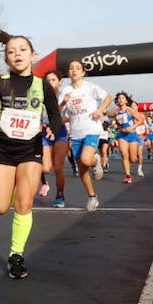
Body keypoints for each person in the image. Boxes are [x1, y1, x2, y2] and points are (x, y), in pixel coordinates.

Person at [0, 30, 63, 280]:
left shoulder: (42, 85)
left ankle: (16, 255)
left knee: (24, 203)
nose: (16, 54)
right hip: (5, 152)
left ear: (33, 55)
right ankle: (17, 188)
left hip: (31, 151)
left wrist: (57, 132)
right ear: (7, 59)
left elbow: (54, 114)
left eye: (22, 50)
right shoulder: (0, 83)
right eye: (11, 52)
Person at [58, 60, 112, 212]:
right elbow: (57, 110)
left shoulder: (90, 87)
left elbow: (109, 97)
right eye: (71, 68)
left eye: (77, 68)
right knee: (82, 169)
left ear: (83, 72)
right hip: (75, 133)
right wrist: (63, 102)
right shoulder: (66, 90)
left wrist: (100, 110)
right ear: (68, 73)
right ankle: (92, 197)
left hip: (92, 129)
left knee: (86, 159)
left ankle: (96, 162)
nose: (74, 70)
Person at [38, 69, 69, 207]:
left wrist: (67, 118)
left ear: (59, 82)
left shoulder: (66, 96)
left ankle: (60, 195)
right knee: (45, 168)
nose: (50, 83)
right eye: (48, 80)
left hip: (60, 132)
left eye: (53, 80)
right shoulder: (40, 96)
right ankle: (45, 183)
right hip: (46, 131)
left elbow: (60, 114)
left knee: (58, 167)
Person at [112, 92, 147, 184]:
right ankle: (128, 176)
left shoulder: (130, 110)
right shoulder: (116, 112)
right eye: (119, 98)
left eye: (122, 98)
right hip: (122, 135)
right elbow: (117, 123)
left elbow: (140, 120)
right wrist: (117, 126)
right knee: (124, 154)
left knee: (133, 159)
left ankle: (135, 163)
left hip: (132, 135)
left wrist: (132, 127)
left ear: (126, 101)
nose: (120, 100)